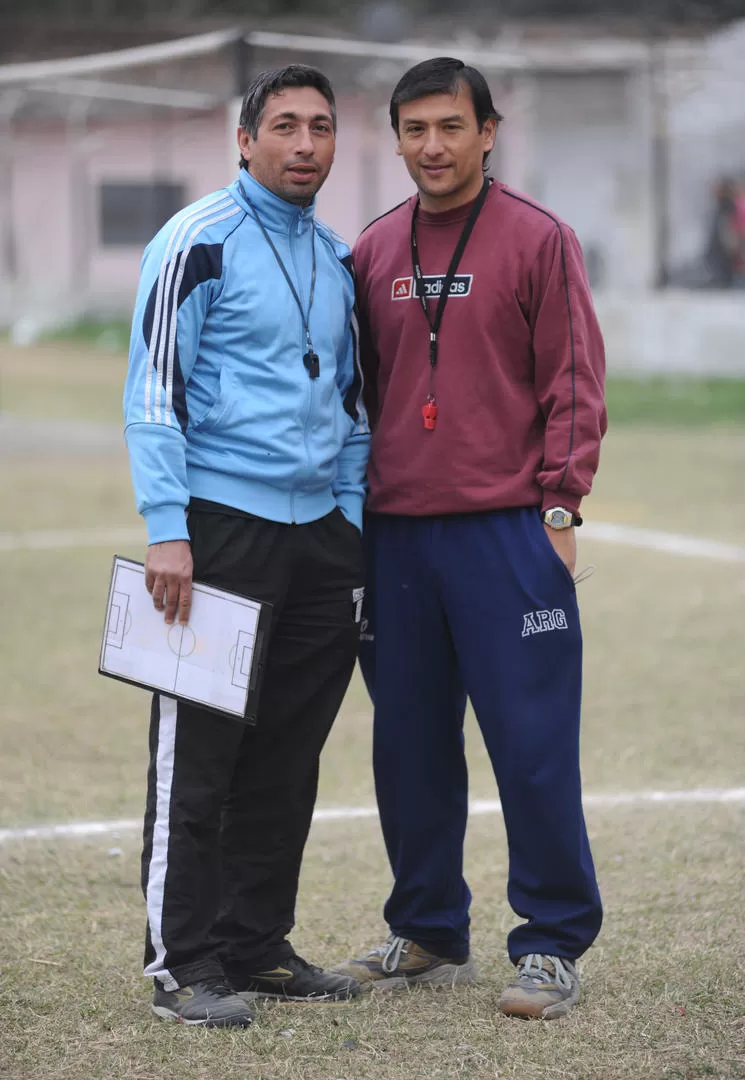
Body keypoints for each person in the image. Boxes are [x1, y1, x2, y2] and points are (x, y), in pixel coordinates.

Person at [332, 57, 606, 1020]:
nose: (433, 147)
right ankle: (428, 929)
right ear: (396, 137)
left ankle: (550, 943)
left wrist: (560, 512)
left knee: (531, 746)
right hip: (395, 535)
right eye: (414, 129)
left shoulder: (537, 238)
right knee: (406, 746)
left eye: (450, 126)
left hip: (505, 534)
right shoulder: (368, 250)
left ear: (488, 131)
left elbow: (573, 379)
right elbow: (352, 396)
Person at [123, 64, 369, 1027]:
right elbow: (155, 393)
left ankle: (255, 945)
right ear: (244, 139)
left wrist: (348, 513)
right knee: (200, 756)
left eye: (321, 126)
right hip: (220, 531)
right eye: (284, 127)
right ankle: (180, 962)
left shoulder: (340, 256)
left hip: (321, 539)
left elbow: (351, 404)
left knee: (288, 754)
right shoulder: (196, 240)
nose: (305, 144)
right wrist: (167, 530)